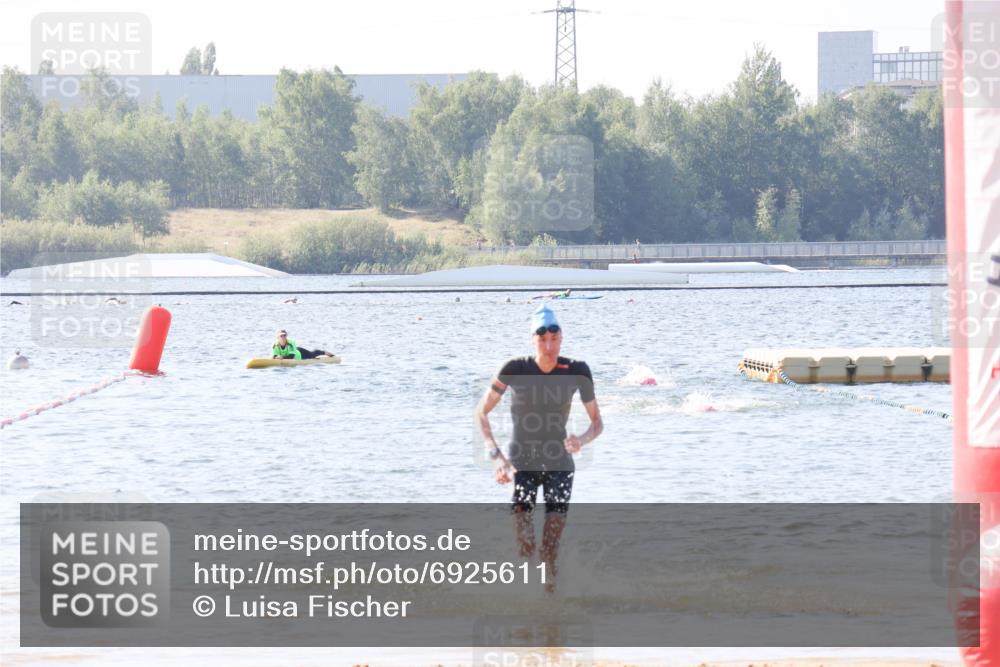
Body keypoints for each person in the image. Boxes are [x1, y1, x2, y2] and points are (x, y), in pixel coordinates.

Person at [475, 304, 603, 593]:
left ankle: (550, 613)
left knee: (549, 548)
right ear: (533, 339)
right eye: (542, 340)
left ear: (561, 338)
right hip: (522, 464)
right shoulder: (515, 369)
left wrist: (580, 441)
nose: (548, 346)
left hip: (560, 466)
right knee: (525, 546)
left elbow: (597, 423)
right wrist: (496, 457)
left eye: (554, 340)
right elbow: (481, 412)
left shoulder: (577, 371)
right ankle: (525, 602)